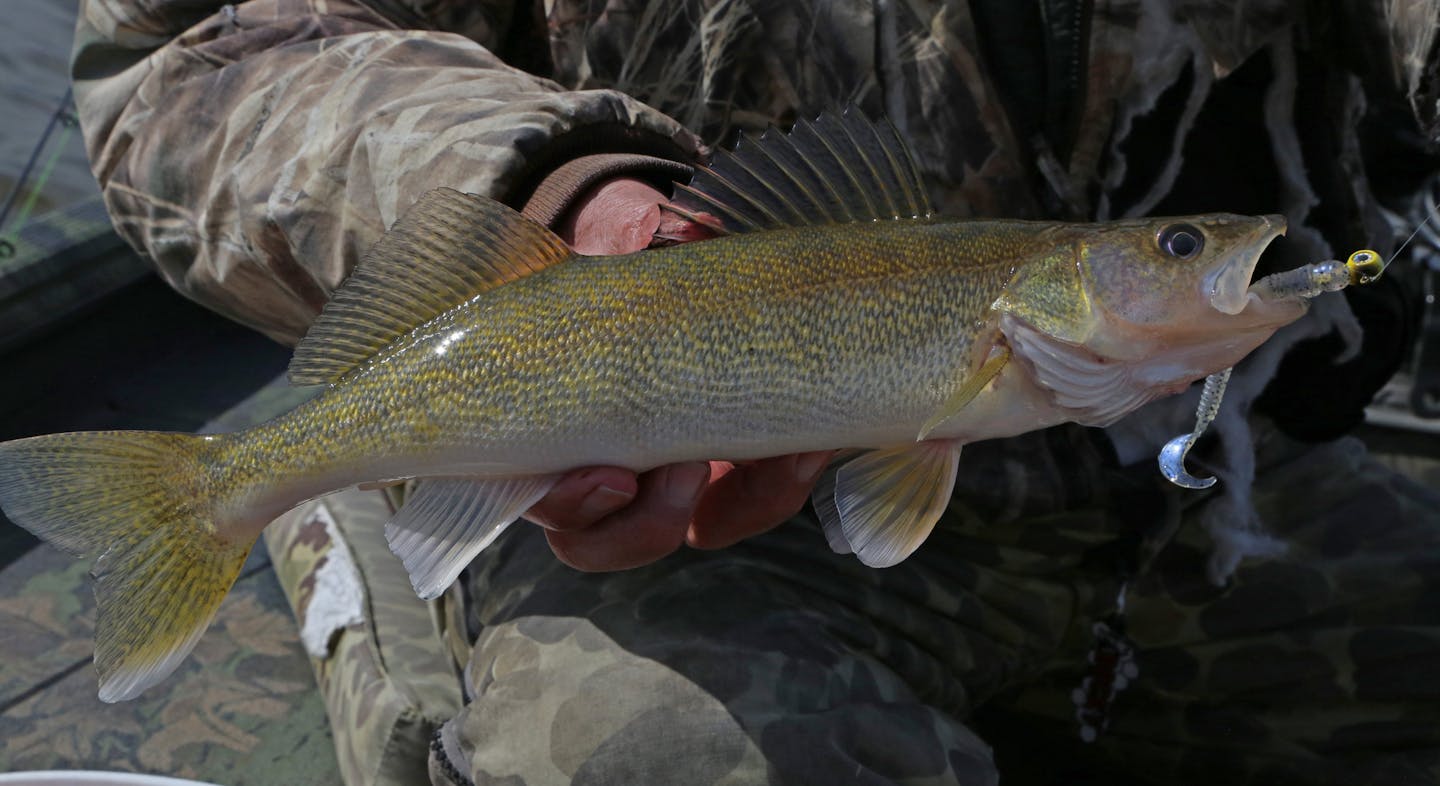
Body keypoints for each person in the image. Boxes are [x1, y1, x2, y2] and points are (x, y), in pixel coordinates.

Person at [70, 0, 1440, 783]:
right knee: (659, 755)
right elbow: (199, 42)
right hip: (707, 533)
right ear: (1048, 291)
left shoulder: (1049, 347)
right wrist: (560, 184)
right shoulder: (994, 328)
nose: (1201, 258)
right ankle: (352, 544)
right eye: (1177, 251)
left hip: (1222, 472)